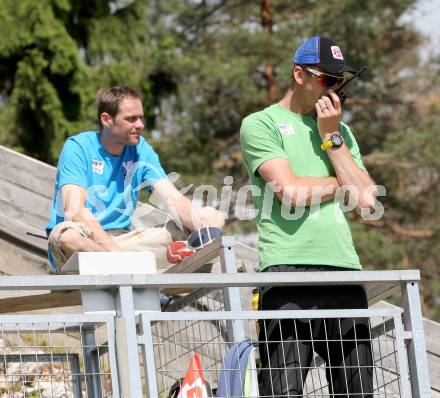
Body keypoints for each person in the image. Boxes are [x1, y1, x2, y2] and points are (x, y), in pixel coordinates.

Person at [240, 36, 377, 397]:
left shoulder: (340, 133)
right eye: (327, 79)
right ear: (299, 74)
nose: (335, 89)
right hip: (287, 273)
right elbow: (291, 193)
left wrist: (331, 137)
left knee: (358, 393)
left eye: (340, 82)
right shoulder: (261, 124)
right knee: (283, 392)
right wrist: (341, 181)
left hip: (343, 272)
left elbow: (366, 202)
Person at [46, 86, 224, 270]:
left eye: (140, 118)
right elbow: (74, 211)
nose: (140, 125)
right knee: (66, 237)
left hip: (125, 245)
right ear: (107, 120)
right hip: (85, 246)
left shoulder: (141, 150)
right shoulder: (78, 147)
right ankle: (142, 271)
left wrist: (206, 229)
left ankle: (142, 269)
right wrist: (121, 260)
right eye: (131, 119)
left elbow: (172, 198)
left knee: (212, 217)